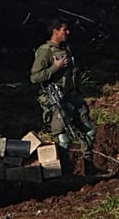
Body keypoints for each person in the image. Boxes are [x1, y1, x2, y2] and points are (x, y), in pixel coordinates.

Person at [30, 16, 97, 174]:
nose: (68, 32)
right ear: (55, 31)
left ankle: (89, 167)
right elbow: (35, 77)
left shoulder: (67, 49)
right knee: (62, 139)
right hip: (58, 101)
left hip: (74, 98)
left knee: (89, 131)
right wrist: (55, 67)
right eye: (64, 29)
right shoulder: (45, 51)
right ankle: (64, 173)